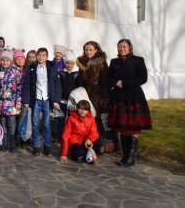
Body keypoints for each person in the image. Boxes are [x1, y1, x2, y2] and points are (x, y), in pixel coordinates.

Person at [107, 39, 152, 167]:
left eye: (124, 46)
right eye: (119, 47)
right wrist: (115, 83)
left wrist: (125, 83)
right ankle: (125, 157)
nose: (122, 49)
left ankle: (130, 158)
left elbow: (143, 78)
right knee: (122, 126)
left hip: (133, 97)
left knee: (132, 127)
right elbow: (108, 78)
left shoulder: (138, 60)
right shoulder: (114, 61)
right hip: (119, 97)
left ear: (130, 47)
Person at [22, 47, 61, 156]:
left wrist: (56, 100)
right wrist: (26, 100)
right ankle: (36, 146)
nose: (41, 57)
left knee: (47, 124)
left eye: (43, 55)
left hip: (47, 100)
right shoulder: (31, 67)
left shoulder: (52, 67)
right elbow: (26, 85)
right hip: (36, 99)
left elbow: (57, 84)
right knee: (34, 123)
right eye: (39, 55)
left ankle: (47, 146)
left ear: (47, 57)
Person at [76, 41, 111, 151]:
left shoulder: (101, 63)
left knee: (95, 120)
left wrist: (105, 98)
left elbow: (105, 81)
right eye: (86, 49)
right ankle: (84, 143)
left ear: (96, 50)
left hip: (97, 95)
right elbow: (80, 80)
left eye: (90, 49)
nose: (88, 52)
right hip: (84, 94)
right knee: (84, 119)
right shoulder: (81, 62)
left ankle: (96, 144)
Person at [0, 50, 22, 152]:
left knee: (11, 123)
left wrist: (18, 101)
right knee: (3, 123)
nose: (5, 63)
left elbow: (19, 87)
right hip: (0, 102)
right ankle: (4, 142)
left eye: (7, 61)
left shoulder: (15, 71)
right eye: (3, 60)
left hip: (12, 103)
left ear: (11, 62)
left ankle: (12, 143)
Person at [60, 100, 100, 164]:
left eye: (85, 110)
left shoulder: (91, 118)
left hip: (85, 140)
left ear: (88, 110)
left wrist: (90, 139)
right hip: (74, 141)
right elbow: (65, 135)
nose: (82, 111)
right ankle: (73, 154)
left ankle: (87, 158)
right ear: (77, 108)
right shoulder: (71, 118)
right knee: (79, 152)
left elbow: (94, 133)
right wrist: (64, 154)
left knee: (98, 142)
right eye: (80, 109)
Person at [56, 50, 78, 142]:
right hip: (62, 101)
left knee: (71, 120)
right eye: (67, 63)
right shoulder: (61, 73)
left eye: (71, 63)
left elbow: (79, 87)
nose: (69, 65)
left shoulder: (77, 74)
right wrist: (57, 100)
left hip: (72, 102)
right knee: (61, 120)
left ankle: (70, 138)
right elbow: (58, 87)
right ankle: (60, 138)